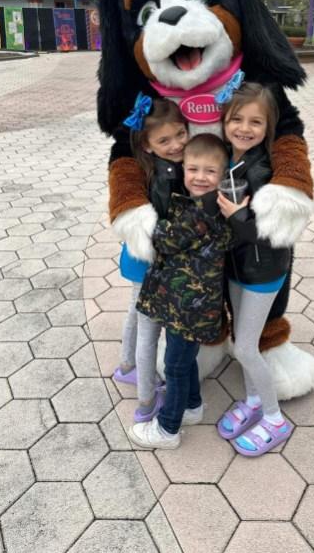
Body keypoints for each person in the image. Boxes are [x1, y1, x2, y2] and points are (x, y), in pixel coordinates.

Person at [128, 134, 232, 449]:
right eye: (193, 169)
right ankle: (192, 407)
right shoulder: (206, 204)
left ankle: (167, 429)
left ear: (221, 175)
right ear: (183, 169)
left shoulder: (203, 210)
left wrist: (144, 221)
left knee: (174, 366)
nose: (200, 177)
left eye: (209, 172)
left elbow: (166, 240)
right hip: (188, 306)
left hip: (188, 308)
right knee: (183, 362)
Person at [216, 82, 293, 456]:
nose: (245, 128)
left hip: (264, 272)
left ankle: (275, 419)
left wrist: (239, 216)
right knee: (239, 340)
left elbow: (275, 232)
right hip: (236, 268)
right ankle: (252, 400)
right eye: (237, 119)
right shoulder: (225, 158)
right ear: (224, 121)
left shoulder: (265, 169)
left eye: (255, 122)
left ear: (268, 126)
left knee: (246, 347)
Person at [112, 96, 189, 420]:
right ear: (147, 144)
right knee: (149, 332)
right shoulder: (164, 175)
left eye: (181, 135)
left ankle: (125, 365)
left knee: (134, 313)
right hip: (151, 266)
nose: (176, 145)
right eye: (164, 140)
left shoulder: (149, 167)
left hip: (135, 260)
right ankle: (146, 401)